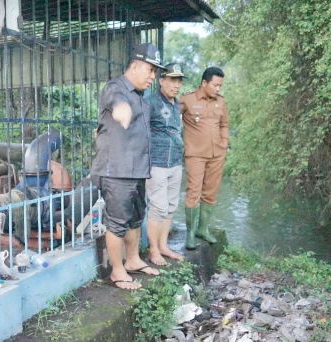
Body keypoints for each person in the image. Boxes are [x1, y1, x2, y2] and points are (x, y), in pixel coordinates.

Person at [91, 43, 166, 290]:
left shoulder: (141, 100)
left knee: (135, 219)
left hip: (136, 171)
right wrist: (121, 110)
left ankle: (133, 261)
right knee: (117, 222)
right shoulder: (117, 88)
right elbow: (116, 102)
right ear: (135, 66)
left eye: (156, 72)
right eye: (150, 70)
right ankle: (117, 270)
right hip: (116, 171)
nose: (153, 76)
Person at [180, 67, 229, 249]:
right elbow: (168, 117)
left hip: (216, 154)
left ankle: (203, 229)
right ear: (204, 83)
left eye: (220, 85)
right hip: (195, 154)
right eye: (215, 85)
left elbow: (224, 124)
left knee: (210, 193)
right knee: (193, 192)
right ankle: (190, 234)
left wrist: (224, 142)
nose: (218, 89)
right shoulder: (187, 99)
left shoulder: (220, 102)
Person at [145, 63, 186, 266]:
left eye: (179, 81)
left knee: (170, 207)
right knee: (158, 208)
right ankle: (153, 250)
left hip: (175, 163)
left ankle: (163, 246)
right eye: (172, 80)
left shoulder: (176, 103)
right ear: (161, 81)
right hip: (157, 164)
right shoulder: (150, 102)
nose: (176, 85)